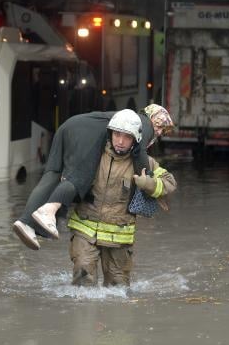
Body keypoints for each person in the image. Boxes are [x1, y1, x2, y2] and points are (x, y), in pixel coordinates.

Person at [12, 105, 174, 250]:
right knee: (79, 177)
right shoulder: (143, 123)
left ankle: (26, 222)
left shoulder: (126, 116)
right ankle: (48, 211)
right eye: (160, 127)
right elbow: (140, 154)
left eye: (162, 132)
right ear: (152, 117)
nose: (158, 132)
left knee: (52, 175)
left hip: (69, 126)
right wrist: (148, 181)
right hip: (85, 134)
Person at [66, 109, 177, 286]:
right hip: (84, 231)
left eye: (127, 137)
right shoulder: (93, 154)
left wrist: (147, 183)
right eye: (117, 134)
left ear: (136, 139)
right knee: (82, 282)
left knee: (117, 290)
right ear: (110, 133)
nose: (120, 141)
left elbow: (170, 184)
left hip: (119, 240)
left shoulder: (143, 162)